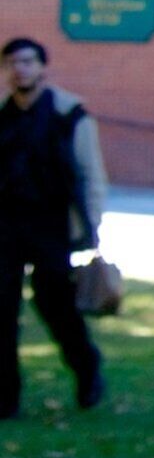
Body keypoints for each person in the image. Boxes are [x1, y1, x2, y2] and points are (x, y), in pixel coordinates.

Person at [0, 35, 108, 415]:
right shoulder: (1, 114)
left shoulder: (69, 114)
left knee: (56, 305)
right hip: (6, 225)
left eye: (27, 61)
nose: (20, 69)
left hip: (52, 225)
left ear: (42, 67)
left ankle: (87, 369)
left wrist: (92, 225)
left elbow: (91, 173)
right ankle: (5, 397)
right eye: (12, 63)